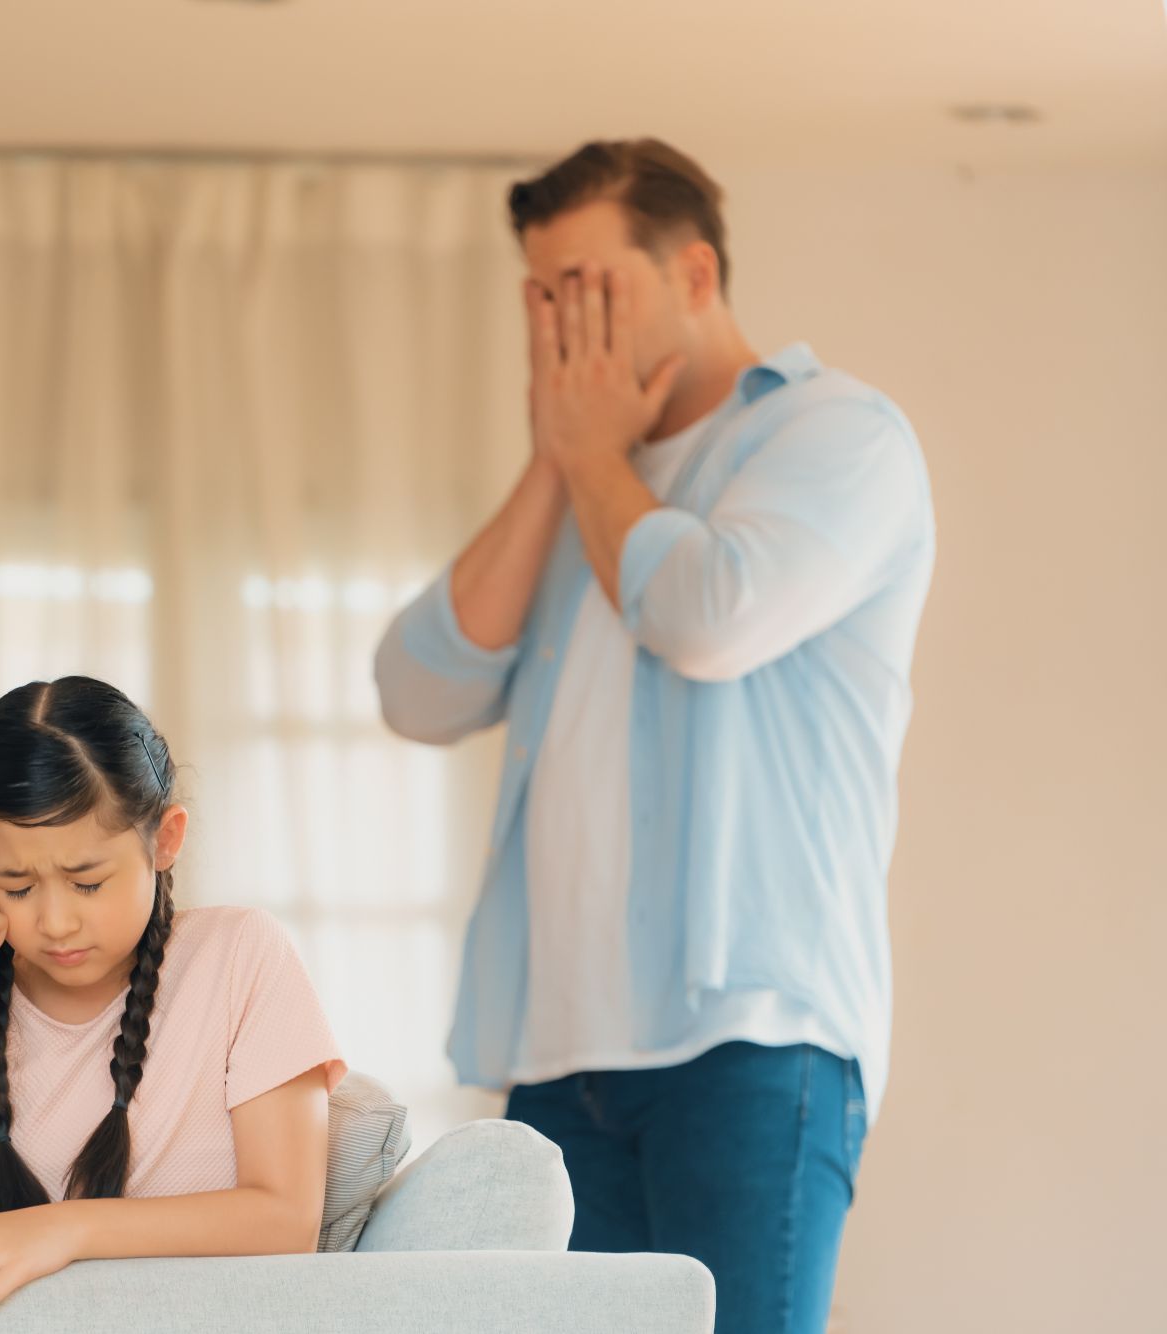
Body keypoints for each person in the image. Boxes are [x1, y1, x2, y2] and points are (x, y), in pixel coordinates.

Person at [374, 139, 935, 1334]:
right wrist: (557, 458)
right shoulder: (581, 483)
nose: (559, 321)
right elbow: (416, 690)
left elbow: (708, 614)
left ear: (691, 274)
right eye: (539, 292)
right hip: (556, 1059)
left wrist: (588, 458)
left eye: (590, 284)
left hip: (749, 1040)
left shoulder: (838, 435)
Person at [0, 676, 344, 1333]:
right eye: (15, 885)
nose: (57, 922)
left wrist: (64, 1229)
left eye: (87, 881)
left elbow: (286, 1218)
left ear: (165, 840)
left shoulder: (241, 954)